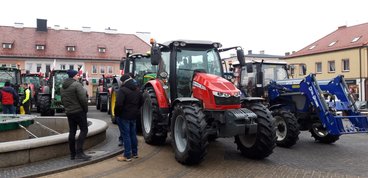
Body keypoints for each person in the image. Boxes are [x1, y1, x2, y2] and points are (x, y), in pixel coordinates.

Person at [61, 69, 91, 161]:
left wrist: (68, 109)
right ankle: (79, 152)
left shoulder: (62, 87)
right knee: (84, 130)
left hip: (69, 112)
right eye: (77, 75)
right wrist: (85, 110)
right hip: (79, 111)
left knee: (72, 132)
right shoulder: (77, 85)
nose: (78, 76)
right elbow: (83, 99)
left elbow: (62, 100)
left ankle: (72, 154)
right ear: (74, 76)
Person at [115, 74, 143, 162]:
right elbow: (142, 101)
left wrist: (117, 114)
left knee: (126, 135)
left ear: (123, 82)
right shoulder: (137, 90)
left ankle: (127, 155)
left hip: (124, 116)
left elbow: (119, 104)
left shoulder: (122, 90)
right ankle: (135, 153)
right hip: (134, 116)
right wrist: (135, 109)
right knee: (133, 134)